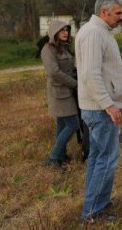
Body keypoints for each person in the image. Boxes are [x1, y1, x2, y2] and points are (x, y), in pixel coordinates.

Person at [75, 0, 122, 223]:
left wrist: (116, 99)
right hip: (98, 109)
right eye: (118, 13)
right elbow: (90, 74)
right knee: (107, 158)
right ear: (104, 12)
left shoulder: (100, 32)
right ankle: (94, 212)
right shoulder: (93, 33)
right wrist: (108, 104)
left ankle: (97, 204)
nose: (121, 17)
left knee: (99, 158)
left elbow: (104, 74)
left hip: (101, 106)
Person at [41, 20, 79, 170]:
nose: (65, 33)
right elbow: (54, 72)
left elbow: (69, 67)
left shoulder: (64, 48)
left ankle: (61, 155)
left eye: (67, 30)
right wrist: (74, 83)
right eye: (61, 30)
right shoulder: (48, 49)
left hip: (67, 91)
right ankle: (53, 157)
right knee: (73, 124)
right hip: (59, 93)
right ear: (54, 32)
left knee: (62, 124)